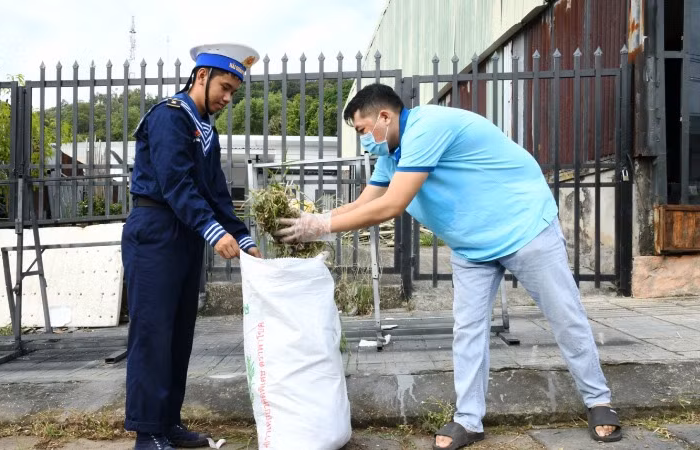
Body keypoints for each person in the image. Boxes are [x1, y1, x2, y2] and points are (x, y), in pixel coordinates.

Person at [275, 83, 622, 449]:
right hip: (472, 246)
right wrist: (311, 221)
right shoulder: (390, 155)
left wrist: (322, 226)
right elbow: (364, 204)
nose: (363, 140)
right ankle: (469, 420)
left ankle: (599, 401)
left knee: (564, 314)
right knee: (468, 331)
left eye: (362, 131)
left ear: (384, 117)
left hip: (524, 227)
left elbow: (392, 205)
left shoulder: (427, 128)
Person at [122, 43, 262, 450]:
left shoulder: (206, 130)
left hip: (184, 233)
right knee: (153, 332)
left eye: (233, 91)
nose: (227, 97)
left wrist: (244, 236)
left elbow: (215, 192)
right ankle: (148, 433)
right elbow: (175, 183)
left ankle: (168, 424)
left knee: (179, 333)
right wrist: (213, 232)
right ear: (201, 77)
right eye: (224, 86)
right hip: (155, 229)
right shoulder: (170, 116)